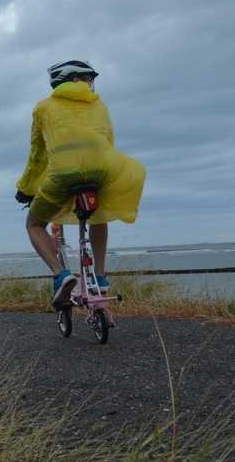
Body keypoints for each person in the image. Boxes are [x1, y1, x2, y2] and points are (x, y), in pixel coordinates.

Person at [15, 60, 146, 307]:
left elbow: (38, 156)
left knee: (33, 224)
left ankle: (61, 275)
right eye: (88, 79)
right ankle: (101, 275)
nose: (91, 84)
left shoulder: (43, 108)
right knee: (100, 215)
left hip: (64, 175)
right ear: (74, 80)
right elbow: (108, 141)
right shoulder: (100, 105)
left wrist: (26, 188)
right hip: (102, 170)